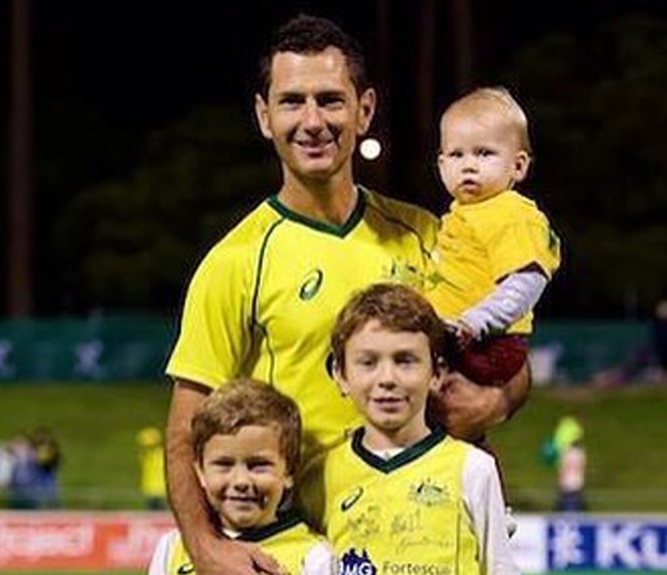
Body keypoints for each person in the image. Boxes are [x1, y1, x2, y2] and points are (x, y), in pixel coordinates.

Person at [163, 14, 532, 575]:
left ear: (364, 109)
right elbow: (185, 429)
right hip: (306, 543)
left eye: (331, 101)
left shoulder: (431, 237)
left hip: (419, 541)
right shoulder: (236, 261)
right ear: (265, 117)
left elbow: (512, 356)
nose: (312, 121)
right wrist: (206, 546)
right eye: (292, 102)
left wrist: (497, 402)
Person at [321, 283, 519, 574]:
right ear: (341, 375)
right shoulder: (321, 475)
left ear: (436, 373)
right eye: (368, 362)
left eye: (405, 361)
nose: (387, 378)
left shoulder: (473, 468)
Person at [427, 86, 561, 391]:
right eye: (457, 154)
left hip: (490, 341)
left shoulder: (511, 213)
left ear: (518, 165)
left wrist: (477, 321)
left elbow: (527, 281)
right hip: (459, 335)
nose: (469, 164)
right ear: (442, 165)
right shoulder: (460, 215)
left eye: (484, 153)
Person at [148, 379, 336, 575]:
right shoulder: (172, 549)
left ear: (289, 471)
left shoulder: (315, 558)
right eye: (224, 465)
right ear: (200, 472)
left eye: (258, 465)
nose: (241, 482)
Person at [137, 426, 167, 510]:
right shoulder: (145, 456)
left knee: (159, 516)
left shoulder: (160, 455)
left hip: (160, 492)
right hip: (150, 491)